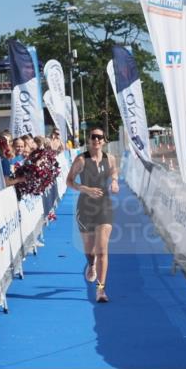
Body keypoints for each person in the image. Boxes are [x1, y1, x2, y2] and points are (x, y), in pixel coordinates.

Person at [66, 128, 119, 304]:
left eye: (100, 137)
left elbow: (113, 172)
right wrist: (85, 189)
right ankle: (91, 263)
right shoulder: (81, 160)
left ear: (104, 140)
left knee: (102, 249)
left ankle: (101, 290)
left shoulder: (110, 158)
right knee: (90, 249)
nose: (96, 140)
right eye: (93, 137)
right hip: (85, 207)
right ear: (89, 140)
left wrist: (114, 182)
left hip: (104, 205)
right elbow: (69, 181)